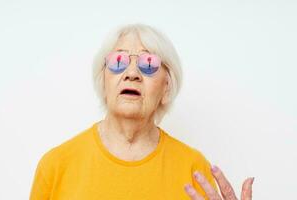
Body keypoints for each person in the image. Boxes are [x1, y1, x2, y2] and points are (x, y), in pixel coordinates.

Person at [29, 23, 254, 200]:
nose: (132, 73)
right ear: (103, 80)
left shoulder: (193, 168)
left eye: (148, 63)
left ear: (166, 86)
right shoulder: (56, 165)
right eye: (119, 61)